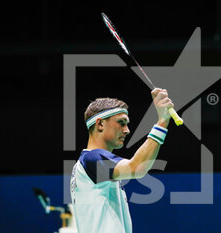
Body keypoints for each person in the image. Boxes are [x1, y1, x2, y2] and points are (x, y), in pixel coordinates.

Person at [70, 88, 174, 233]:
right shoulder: (92, 159)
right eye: (121, 122)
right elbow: (137, 168)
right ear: (100, 124)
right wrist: (162, 122)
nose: (127, 130)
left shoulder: (87, 164)